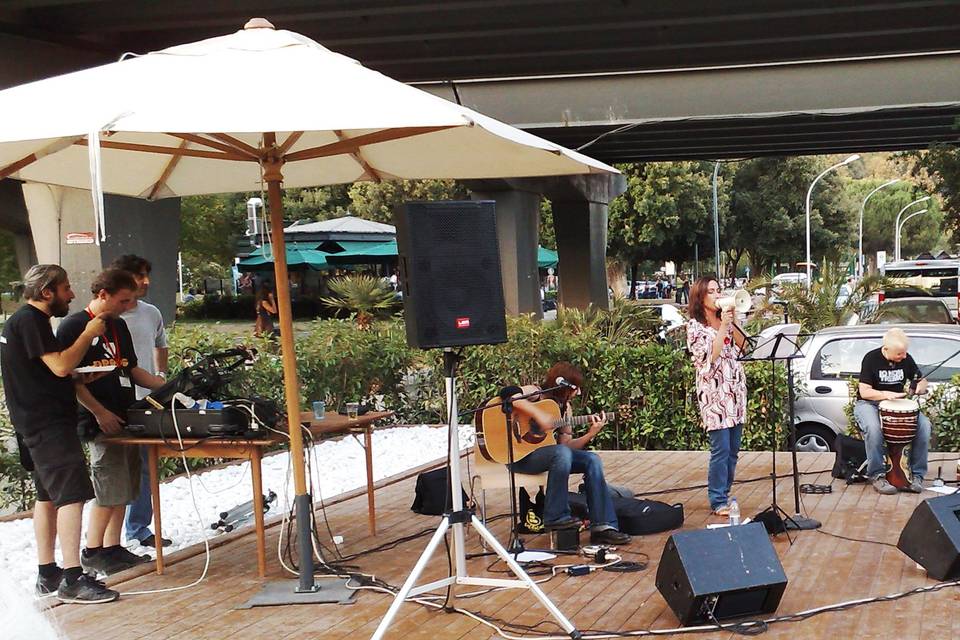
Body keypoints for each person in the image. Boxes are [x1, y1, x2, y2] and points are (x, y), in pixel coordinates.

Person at [0, 264, 118, 603]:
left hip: (34, 422)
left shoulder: (24, 322)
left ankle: (47, 572)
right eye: (66, 288)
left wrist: (79, 380)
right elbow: (61, 364)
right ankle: (72, 577)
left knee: (47, 497)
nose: (72, 295)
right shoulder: (31, 320)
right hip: (47, 425)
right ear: (47, 292)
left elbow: (50, 371)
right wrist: (88, 334)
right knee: (71, 496)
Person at [57, 269, 166, 576]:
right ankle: (93, 550)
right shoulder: (75, 326)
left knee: (126, 485)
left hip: (124, 413)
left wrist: (165, 384)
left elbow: (131, 369)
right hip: (98, 420)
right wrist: (98, 412)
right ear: (103, 294)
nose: (127, 306)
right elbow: (69, 378)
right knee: (108, 484)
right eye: (123, 300)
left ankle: (112, 546)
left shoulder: (117, 325)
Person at [507, 362, 631, 545]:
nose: (578, 393)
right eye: (575, 388)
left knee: (592, 459)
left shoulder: (566, 409)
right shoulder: (536, 392)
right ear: (562, 386)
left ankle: (603, 526)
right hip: (518, 455)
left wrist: (591, 434)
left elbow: (567, 448)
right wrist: (539, 415)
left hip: (548, 456)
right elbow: (508, 395)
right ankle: (555, 516)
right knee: (560, 454)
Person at [110, 255, 172, 549]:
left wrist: (161, 377)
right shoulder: (109, 316)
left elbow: (161, 345)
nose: (145, 281)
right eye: (139, 276)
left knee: (147, 466)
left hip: (148, 399)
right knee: (116, 468)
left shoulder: (152, 312)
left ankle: (138, 528)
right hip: (116, 403)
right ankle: (106, 541)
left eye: (147, 275)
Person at [686, 277, 748, 516]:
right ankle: (718, 499)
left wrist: (735, 321)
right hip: (714, 395)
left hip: (734, 392)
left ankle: (726, 490)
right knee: (720, 449)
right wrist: (723, 327)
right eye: (711, 291)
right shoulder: (695, 326)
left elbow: (744, 346)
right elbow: (709, 357)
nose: (716, 294)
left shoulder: (726, 321)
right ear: (700, 297)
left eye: (718, 290)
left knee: (733, 450)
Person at [853, 328, 931, 495]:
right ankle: (877, 475)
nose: (903, 357)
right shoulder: (871, 359)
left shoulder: (906, 358)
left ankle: (917, 475)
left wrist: (920, 388)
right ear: (886, 348)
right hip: (869, 404)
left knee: (924, 426)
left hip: (897, 405)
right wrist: (884, 395)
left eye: (904, 353)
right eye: (899, 354)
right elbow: (865, 391)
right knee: (874, 429)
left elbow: (921, 380)